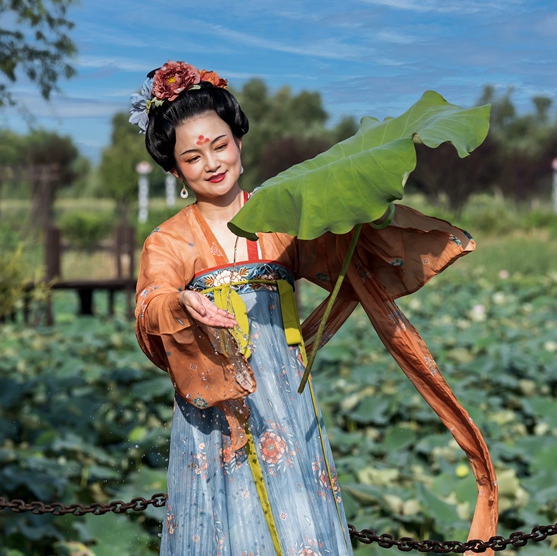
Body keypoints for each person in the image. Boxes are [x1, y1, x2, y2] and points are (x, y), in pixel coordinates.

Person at [132, 61, 493, 556]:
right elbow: (149, 306)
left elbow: (349, 252)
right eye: (193, 157)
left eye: (219, 145)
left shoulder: (279, 217)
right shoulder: (168, 241)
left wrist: (366, 202)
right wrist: (181, 301)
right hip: (215, 415)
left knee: (301, 525)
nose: (212, 163)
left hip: (287, 406)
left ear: (238, 141)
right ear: (175, 170)